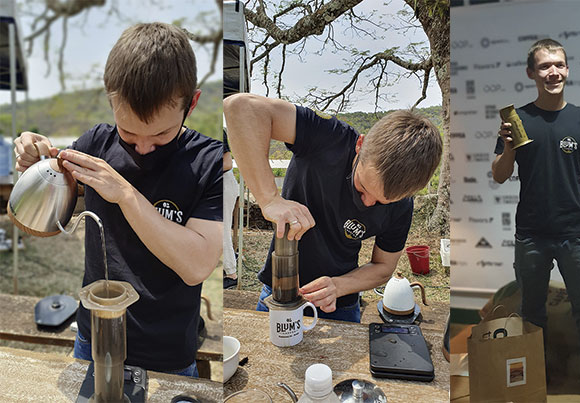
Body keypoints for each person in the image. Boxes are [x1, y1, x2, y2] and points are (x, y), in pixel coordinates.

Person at [14, 23, 223, 377]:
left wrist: (126, 194)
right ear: (110, 97)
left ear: (193, 102)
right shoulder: (97, 143)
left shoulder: (210, 162)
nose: (142, 147)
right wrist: (34, 165)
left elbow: (197, 267)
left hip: (168, 353)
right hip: (91, 339)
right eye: (128, 132)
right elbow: (41, 221)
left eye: (161, 134)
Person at [224, 93, 442, 322]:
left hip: (340, 304)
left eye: (381, 202)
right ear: (360, 145)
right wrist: (269, 199)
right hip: (278, 292)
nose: (366, 203)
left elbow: (384, 266)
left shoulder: (402, 206)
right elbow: (240, 108)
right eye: (362, 187)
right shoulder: (329, 137)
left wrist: (338, 286)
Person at [492, 39, 580, 402]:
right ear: (531, 73)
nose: (553, 72)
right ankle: (537, 371)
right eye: (545, 66)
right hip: (531, 235)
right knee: (532, 313)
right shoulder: (516, 119)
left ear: (567, 70)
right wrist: (507, 147)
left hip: (576, 235)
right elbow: (499, 175)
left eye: (560, 65)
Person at [222, 129, 240, 289]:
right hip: (216, 184)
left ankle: (231, 274)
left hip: (224, 183)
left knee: (222, 229)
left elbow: (227, 163)